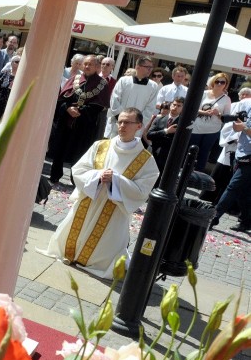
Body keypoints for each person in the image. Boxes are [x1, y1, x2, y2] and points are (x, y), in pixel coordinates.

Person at [40, 108, 159, 279]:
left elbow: (142, 191)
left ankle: (94, 262)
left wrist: (116, 180)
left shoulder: (145, 159)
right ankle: (71, 254)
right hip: (90, 199)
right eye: (120, 121)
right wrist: (97, 175)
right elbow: (79, 169)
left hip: (115, 210)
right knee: (69, 242)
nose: (122, 125)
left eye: (128, 122)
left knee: (104, 251)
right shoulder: (101, 146)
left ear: (139, 126)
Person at [47, 54, 111, 184]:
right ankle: (55, 176)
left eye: (90, 64)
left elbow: (99, 106)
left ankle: (75, 180)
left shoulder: (102, 84)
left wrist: (80, 111)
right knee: (60, 149)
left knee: (80, 153)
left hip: (85, 125)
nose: (87, 66)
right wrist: (67, 108)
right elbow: (61, 99)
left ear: (97, 67)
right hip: (66, 121)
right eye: (85, 64)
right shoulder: (74, 79)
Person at [202, 88, 251, 205]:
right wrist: (233, 137)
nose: (245, 96)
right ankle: (211, 199)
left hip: (245, 148)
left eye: (247, 95)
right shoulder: (235, 105)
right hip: (231, 143)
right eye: (243, 94)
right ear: (239, 96)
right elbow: (229, 124)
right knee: (221, 174)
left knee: (233, 180)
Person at [210, 92, 251, 233]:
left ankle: (213, 217)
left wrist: (244, 128)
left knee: (233, 187)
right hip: (241, 152)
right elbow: (235, 126)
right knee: (242, 192)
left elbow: (243, 128)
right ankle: (246, 221)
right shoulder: (246, 103)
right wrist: (238, 125)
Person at [104, 56, 159, 139]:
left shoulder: (153, 86)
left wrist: (136, 123)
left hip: (135, 128)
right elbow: (115, 100)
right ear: (137, 67)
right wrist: (122, 119)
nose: (150, 70)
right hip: (117, 123)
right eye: (147, 67)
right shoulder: (124, 80)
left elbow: (150, 108)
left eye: (151, 67)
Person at [189, 73, 232, 171]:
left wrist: (218, 114)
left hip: (212, 130)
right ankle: (185, 170)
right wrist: (204, 112)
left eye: (222, 82)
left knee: (204, 153)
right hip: (197, 127)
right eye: (217, 81)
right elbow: (193, 108)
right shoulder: (204, 93)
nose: (219, 84)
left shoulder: (226, 99)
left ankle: (198, 174)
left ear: (226, 84)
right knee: (191, 150)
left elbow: (226, 117)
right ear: (213, 82)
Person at [146, 96, 183, 174]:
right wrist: (166, 131)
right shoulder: (159, 119)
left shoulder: (183, 124)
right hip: (152, 153)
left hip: (167, 158)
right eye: (174, 104)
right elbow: (149, 135)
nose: (175, 107)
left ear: (183, 108)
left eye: (179, 106)